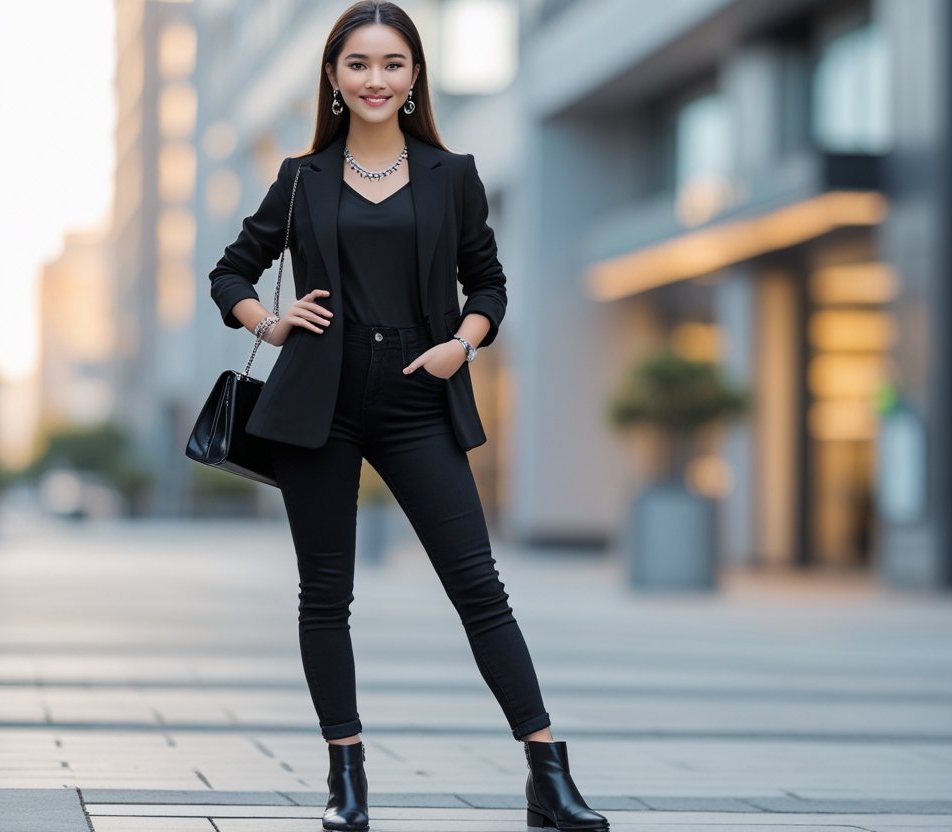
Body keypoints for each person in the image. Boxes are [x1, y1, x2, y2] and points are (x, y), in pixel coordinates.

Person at [206, 3, 610, 831]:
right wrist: (268, 322)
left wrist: (464, 342)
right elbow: (231, 271)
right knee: (326, 594)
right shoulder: (301, 178)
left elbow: (489, 283)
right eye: (358, 64)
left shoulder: (451, 173)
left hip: (418, 392)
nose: (375, 79)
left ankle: (547, 774)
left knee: (479, 589)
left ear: (415, 75)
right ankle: (345, 778)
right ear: (332, 78)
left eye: (392, 64)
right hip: (316, 398)